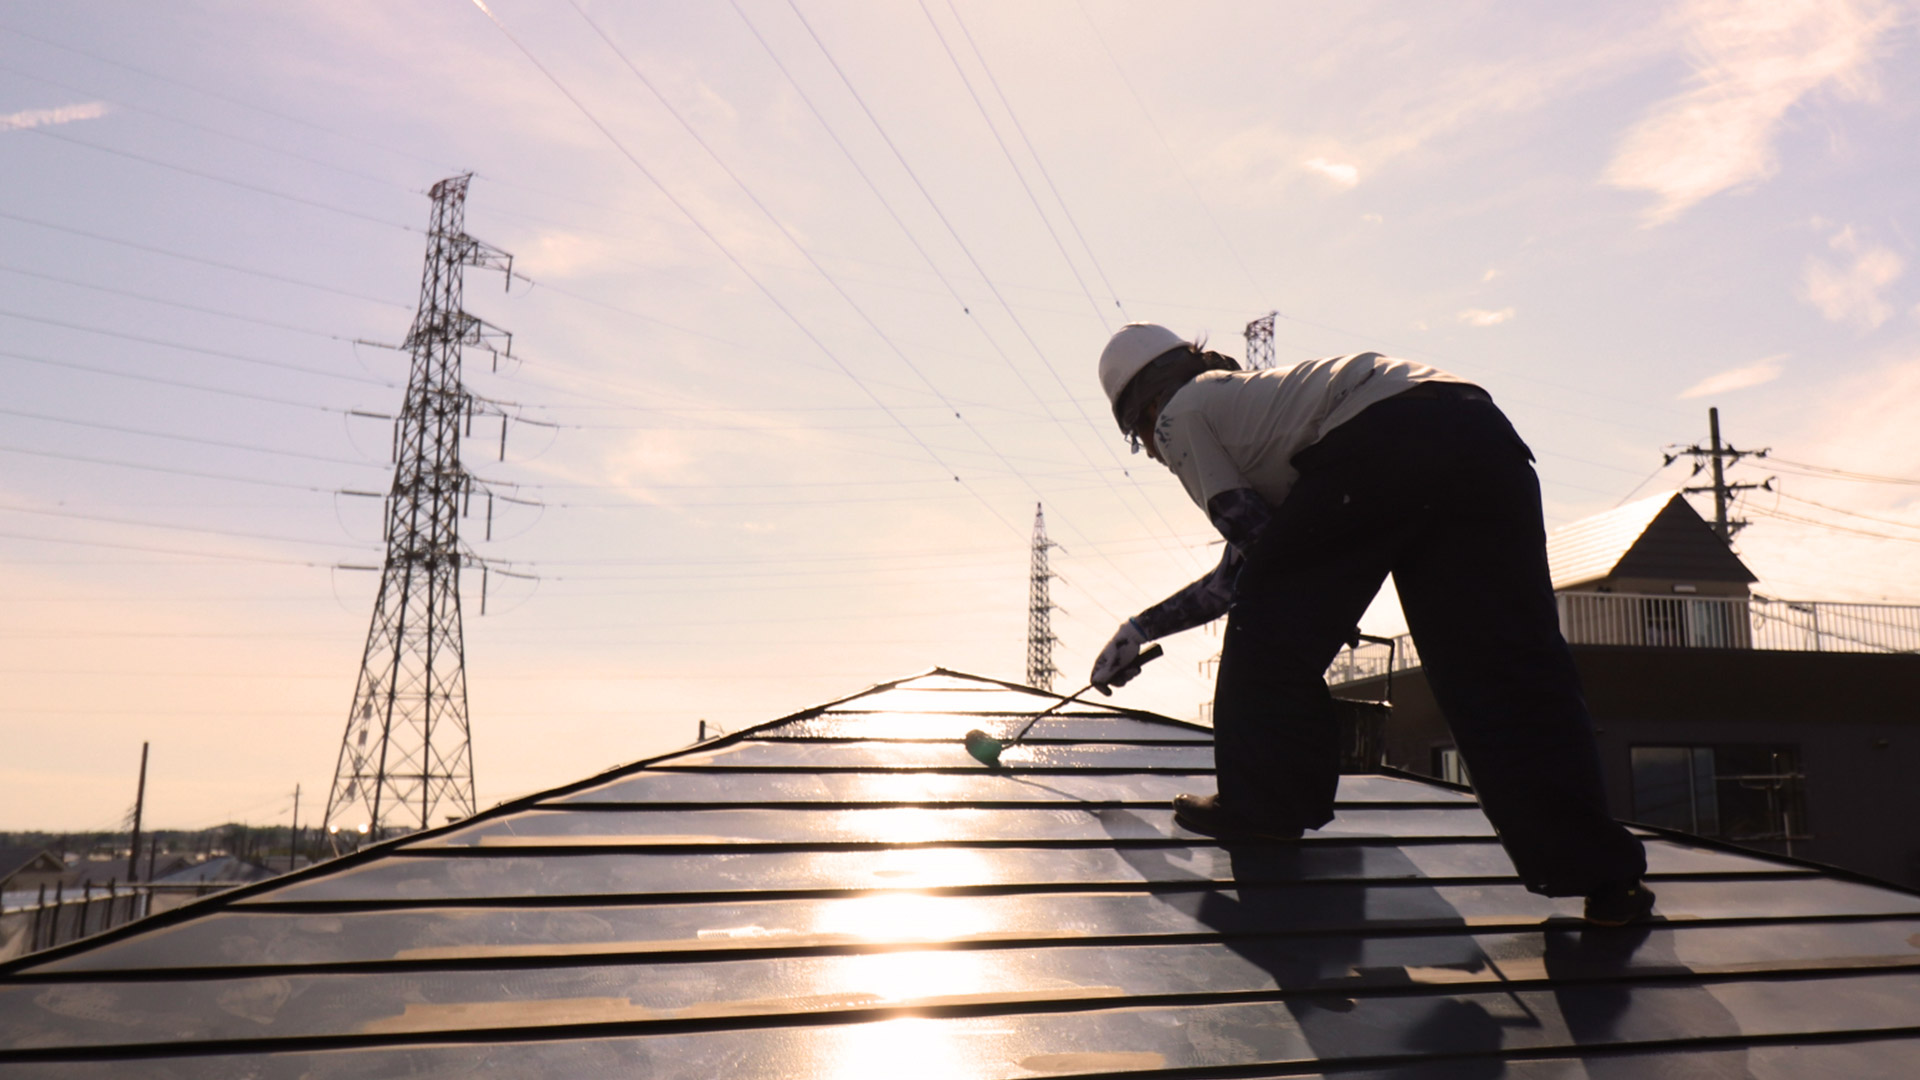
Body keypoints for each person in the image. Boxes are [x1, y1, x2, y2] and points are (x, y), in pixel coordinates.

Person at [1089, 322, 1654, 926]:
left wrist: (1318, 601)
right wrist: (1141, 628)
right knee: (1506, 667)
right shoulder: (1258, 413)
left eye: (1140, 438)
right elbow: (1253, 561)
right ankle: (1603, 873)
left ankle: (1263, 809)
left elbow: (1258, 555)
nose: (1152, 452)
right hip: (1481, 433)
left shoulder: (1180, 414)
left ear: (1148, 405)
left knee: (1266, 629)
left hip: (1385, 439)